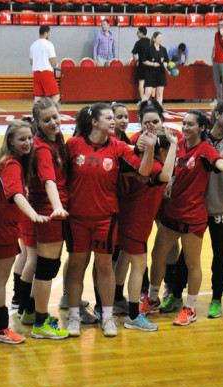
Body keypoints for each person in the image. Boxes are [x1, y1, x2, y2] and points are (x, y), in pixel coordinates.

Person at [144, 110, 223, 327]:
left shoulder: (205, 149)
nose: (185, 127)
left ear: (202, 128)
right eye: (184, 123)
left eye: (191, 124)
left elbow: (219, 163)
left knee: (192, 262)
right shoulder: (177, 144)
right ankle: (153, 299)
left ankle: (190, 308)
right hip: (171, 212)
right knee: (157, 255)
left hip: (193, 215)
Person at [64, 103, 156, 337]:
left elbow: (143, 172)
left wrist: (149, 149)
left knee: (105, 265)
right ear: (94, 122)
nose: (113, 121)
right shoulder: (73, 145)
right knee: (76, 265)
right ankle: (73, 316)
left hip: (105, 218)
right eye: (108, 117)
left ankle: (106, 316)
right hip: (76, 218)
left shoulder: (119, 146)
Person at [0, 120, 50, 345]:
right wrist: (33, 214)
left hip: (1, 224)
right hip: (3, 227)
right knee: (0, 278)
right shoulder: (11, 165)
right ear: (11, 140)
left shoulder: (5, 160)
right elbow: (16, 194)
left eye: (30, 138)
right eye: (22, 139)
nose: (28, 142)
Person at [116, 125, 178, 332]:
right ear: (162, 151)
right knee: (139, 266)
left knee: (124, 258)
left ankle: (117, 298)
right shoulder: (155, 167)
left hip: (129, 219)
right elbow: (166, 175)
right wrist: (174, 144)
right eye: (170, 151)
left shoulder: (142, 161)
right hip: (136, 222)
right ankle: (133, 317)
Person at [23, 98, 71, 340]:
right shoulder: (42, 148)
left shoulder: (56, 139)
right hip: (50, 212)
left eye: (55, 117)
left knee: (45, 266)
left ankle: (31, 312)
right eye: (46, 120)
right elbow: (48, 180)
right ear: (37, 123)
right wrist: (57, 207)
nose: (53, 122)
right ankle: (40, 323)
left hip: (51, 210)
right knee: (46, 268)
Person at [30, 25, 59, 103]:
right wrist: (58, 66)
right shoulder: (49, 44)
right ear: (46, 33)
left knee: (37, 96)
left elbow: (31, 62)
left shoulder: (33, 45)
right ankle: (51, 109)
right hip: (46, 72)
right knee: (56, 95)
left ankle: (36, 111)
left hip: (36, 73)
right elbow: (52, 62)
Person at [141, 32, 169, 105]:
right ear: (154, 39)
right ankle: (142, 109)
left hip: (160, 73)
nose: (160, 39)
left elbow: (165, 62)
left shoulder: (163, 49)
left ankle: (159, 109)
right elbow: (144, 61)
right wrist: (153, 64)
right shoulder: (148, 49)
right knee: (148, 93)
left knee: (160, 93)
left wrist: (168, 71)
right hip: (150, 73)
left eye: (161, 37)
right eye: (159, 37)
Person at [131, 26, 150, 100]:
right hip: (150, 65)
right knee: (149, 84)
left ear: (142, 33)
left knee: (141, 83)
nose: (137, 34)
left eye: (138, 32)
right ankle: (148, 99)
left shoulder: (138, 43)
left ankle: (142, 99)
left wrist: (136, 62)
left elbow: (134, 54)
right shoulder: (151, 42)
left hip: (142, 65)